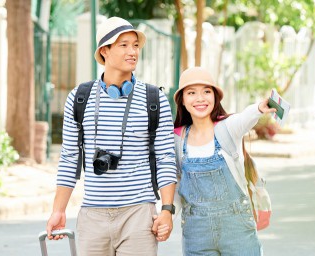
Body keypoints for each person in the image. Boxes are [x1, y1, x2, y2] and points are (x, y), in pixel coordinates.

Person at [46, 17, 177, 255]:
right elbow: (69, 158)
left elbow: (166, 157)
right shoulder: (79, 98)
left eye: (136, 45)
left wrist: (167, 209)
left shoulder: (154, 100)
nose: (133, 52)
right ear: (104, 51)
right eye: (124, 45)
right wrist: (58, 210)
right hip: (92, 216)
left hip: (139, 214)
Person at [173, 67, 276, 255]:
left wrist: (259, 108)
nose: (200, 98)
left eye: (206, 91)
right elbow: (177, 184)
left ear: (215, 97)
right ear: (183, 101)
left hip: (237, 229)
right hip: (196, 233)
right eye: (191, 93)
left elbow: (245, 118)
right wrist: (165, 214)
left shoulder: (228, 128)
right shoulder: (177, 139)